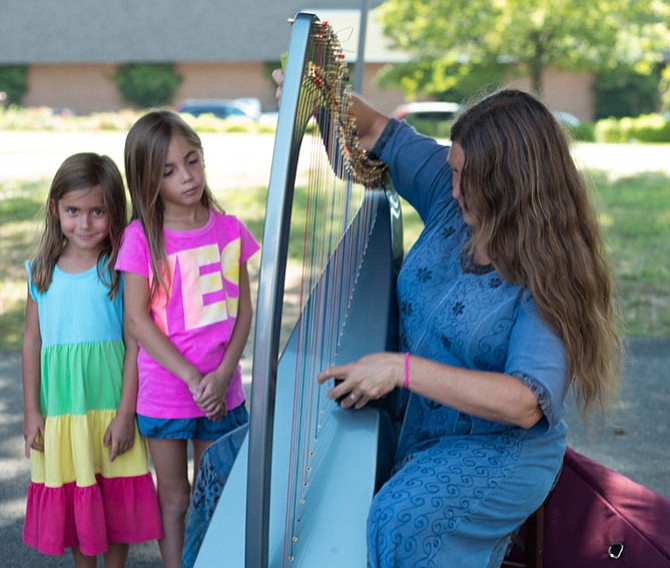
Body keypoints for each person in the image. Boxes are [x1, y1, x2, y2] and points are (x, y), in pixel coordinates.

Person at [296, 81, 622, 566]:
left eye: (466, 177)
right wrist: (316, 91)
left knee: (400, 519)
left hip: (501, 450)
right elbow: (373, 129)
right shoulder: (452, 198)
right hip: (415, 420)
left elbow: (525, 402)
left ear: (508, 183)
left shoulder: (549, 269)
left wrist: (401, 369)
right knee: (241, 460)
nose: (451, 188)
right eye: (451, 169)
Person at [116, 109, 259, 568]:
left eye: (193, 161)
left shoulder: (229, 229)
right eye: (169, 171)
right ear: (147, 181)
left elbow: (243, 312)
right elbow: (137, 321)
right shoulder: (141, 237)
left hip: (223, 390)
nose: (187, 176)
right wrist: (194, 378)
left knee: (215, 495)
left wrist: (218, 378)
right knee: (176, 500)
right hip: (165, 394)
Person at [21, 152, 162, 568]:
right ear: (55, 209)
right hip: (64, 409)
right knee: (79, 492)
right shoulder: (40, 272)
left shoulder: (118, 270)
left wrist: (125, 413)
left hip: (109, 406)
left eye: (97, 211)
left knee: (113, 496)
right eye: (73, 211)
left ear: (114, 212)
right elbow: (32, 342)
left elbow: (134, 343)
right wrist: (32, 411)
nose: (85, 224)